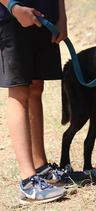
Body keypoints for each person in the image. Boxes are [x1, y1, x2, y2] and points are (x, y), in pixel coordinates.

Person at [0, 0, 68, 204]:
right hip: (13, 17)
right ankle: (28, 181)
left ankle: (42, 169)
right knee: (20, 91)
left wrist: (61, 17)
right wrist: (13, 6)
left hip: (45, 16)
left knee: (36, 88)